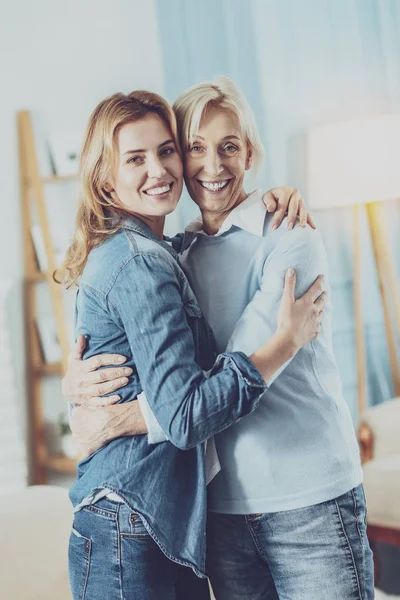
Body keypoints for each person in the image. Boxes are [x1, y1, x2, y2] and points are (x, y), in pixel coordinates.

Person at [64, 77, 374, 600]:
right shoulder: (174, 255)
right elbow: (153, 371)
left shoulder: (289, 234)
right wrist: (78, 397)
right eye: (193, 149)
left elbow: (223, 372)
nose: (211, 166)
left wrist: (115, 420)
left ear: (250, 152)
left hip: (307, 500)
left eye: (229, 146)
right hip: (220, 510)